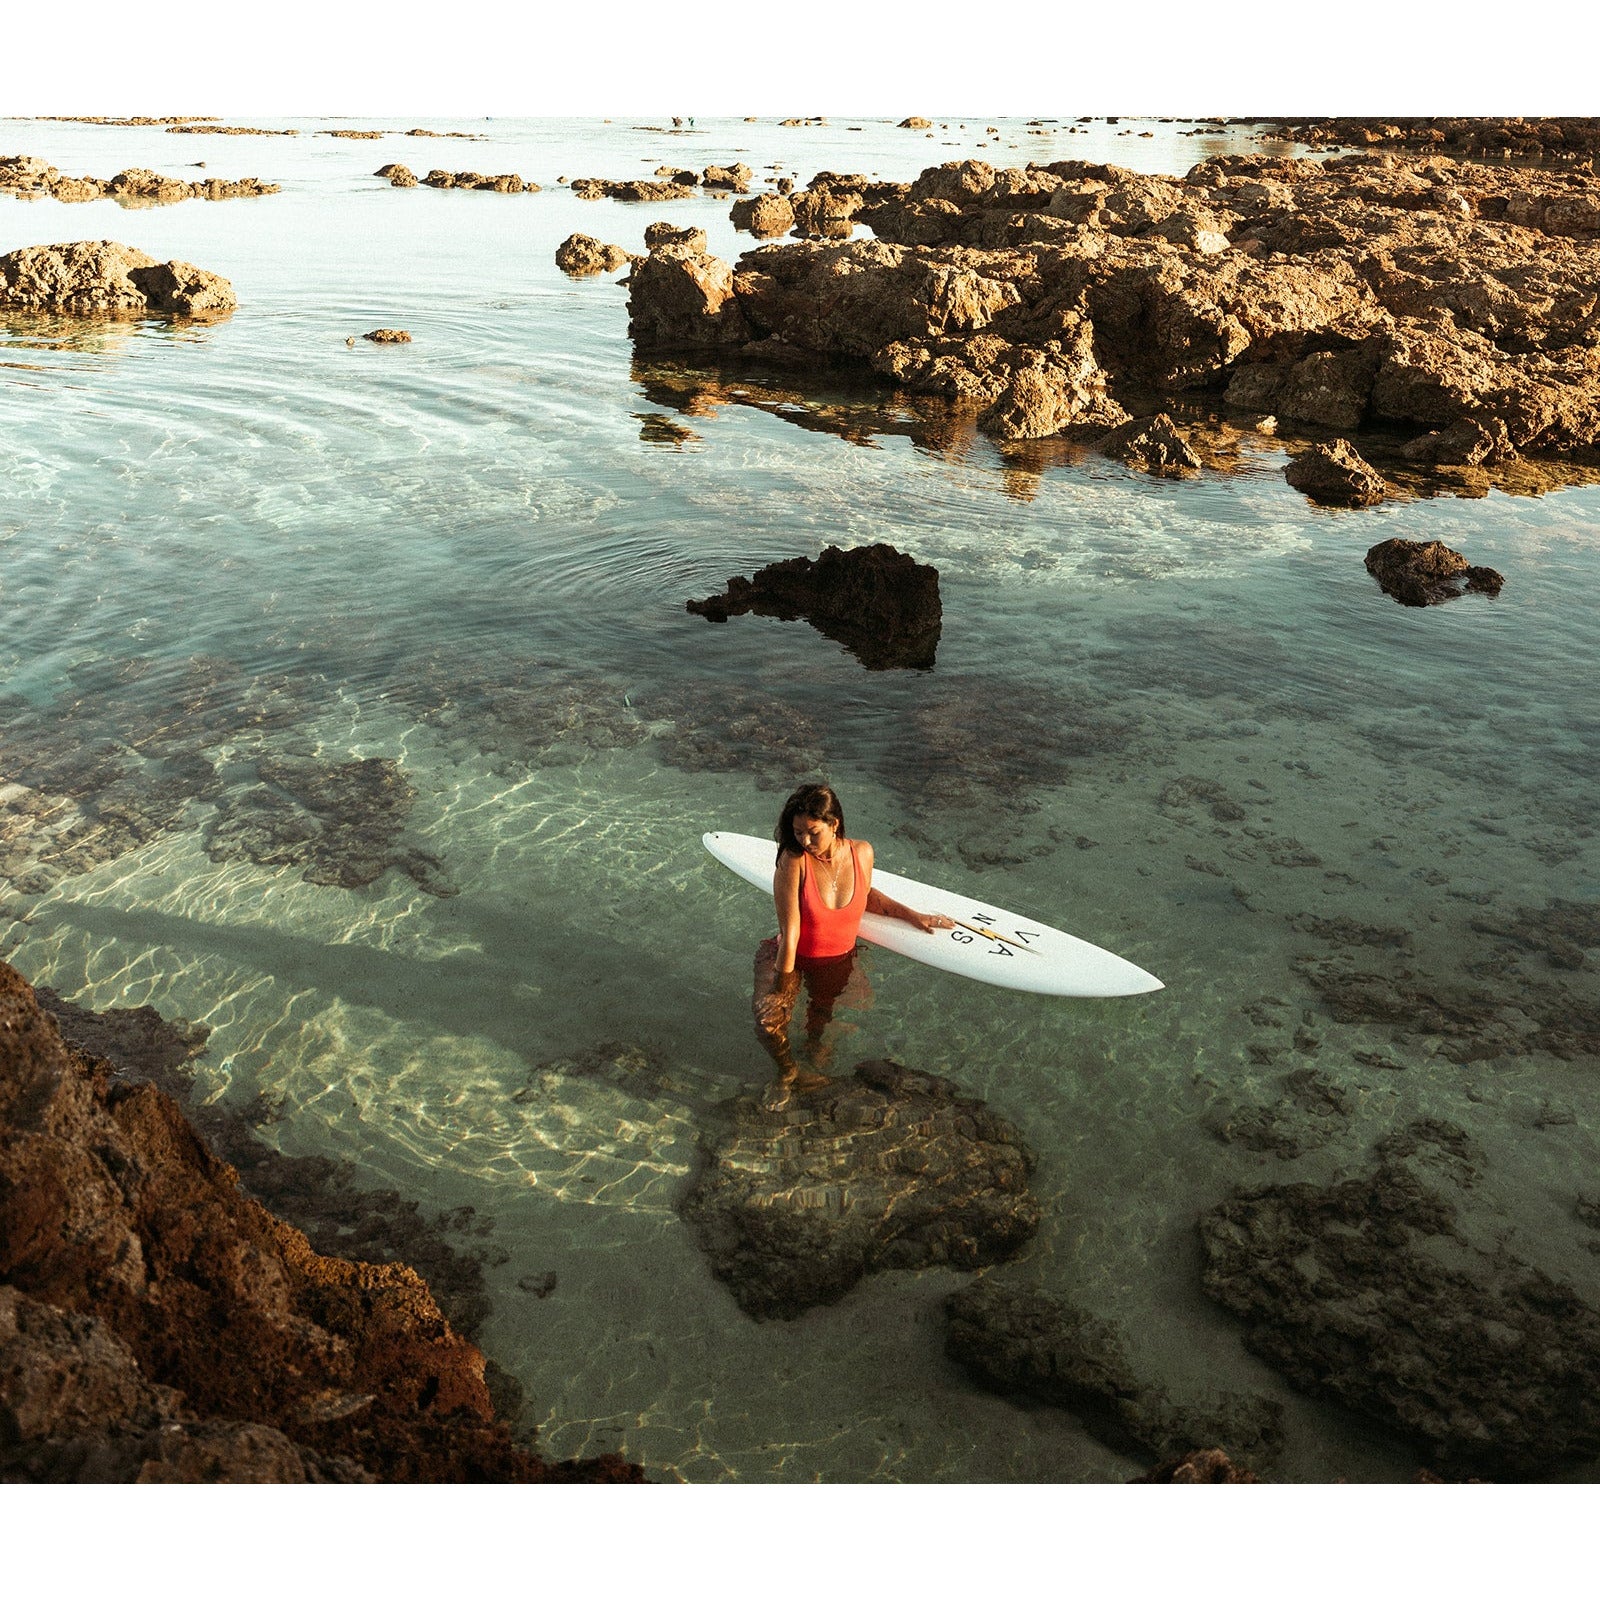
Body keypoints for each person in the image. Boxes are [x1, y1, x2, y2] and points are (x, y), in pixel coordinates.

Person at [752, 782, 954, 1090]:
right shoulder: (793, 862)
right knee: (769, 1025)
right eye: (797, 832)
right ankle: (788, 1073)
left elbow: (865, 894)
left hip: (838, 963)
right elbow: (789, 933)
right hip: (789, 959)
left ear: (833, 825)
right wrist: (781, 990)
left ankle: (812, 1059)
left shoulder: (862, 853)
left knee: (821, 1039)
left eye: (812, 832)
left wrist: (911, 914)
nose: (804, 840)